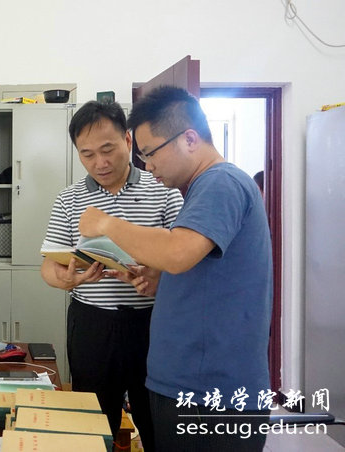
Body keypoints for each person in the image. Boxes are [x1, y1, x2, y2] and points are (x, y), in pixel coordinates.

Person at [78, 86, 273, 451]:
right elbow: (194, 265)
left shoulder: (220, 182)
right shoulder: (202, 187)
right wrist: (162, 279)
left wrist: (106, 224)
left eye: (150, 153)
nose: (147, 165)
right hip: (190, 385)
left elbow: (178, 251)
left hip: (209, 393)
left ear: (189, 139)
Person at [40, 101, 183, 450]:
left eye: (107, 150)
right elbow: (49, 267)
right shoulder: (69, 199)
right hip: (93, 325)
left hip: (153, 324)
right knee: (91, 426)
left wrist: (158, 276)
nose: (99, 163)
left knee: (158, 422)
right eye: (87, 154)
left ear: (128, 141)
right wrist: (68, 279)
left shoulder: (164, 190)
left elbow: (184, 257)